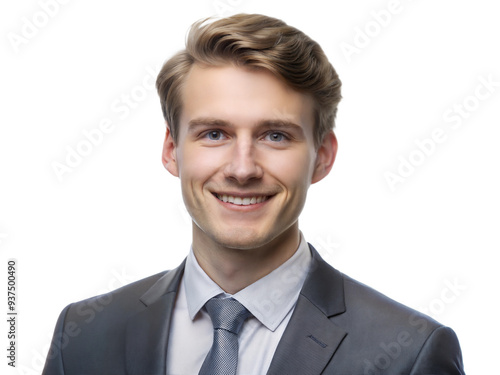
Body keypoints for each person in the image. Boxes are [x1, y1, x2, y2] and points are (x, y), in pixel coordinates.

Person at [42, 13, 465, 375]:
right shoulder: (82, 336)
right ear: (172, 151)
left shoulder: (408, 354)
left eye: (275, 136)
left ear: (322, 157)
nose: (242, 168)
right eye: (214, 134)